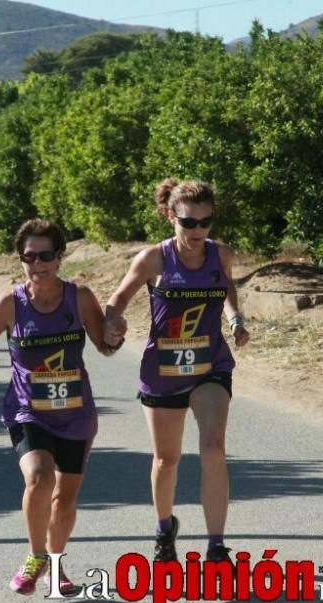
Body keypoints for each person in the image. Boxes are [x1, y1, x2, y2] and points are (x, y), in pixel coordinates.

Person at [0, 219, 118, 595]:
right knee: (40, 479)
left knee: (64, 501)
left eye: (45, 255)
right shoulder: (10, 304)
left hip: (76, 413)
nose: (37, 263)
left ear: (60, 258)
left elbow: (105, 347)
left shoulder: (79, 298)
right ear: (20, 259)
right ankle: (36, 556)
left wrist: (115, 336)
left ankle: (56, 566)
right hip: (27, 410)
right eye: (29, 256)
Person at [104, 178, 250, 564]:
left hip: (210, 365)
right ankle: (164, 528)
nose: (198, 231)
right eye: (188, 223)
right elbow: (117, 300)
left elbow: (226, 289)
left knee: (213, 450)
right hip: (163, 370)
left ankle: (217, 546)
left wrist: (235, 318)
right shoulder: (154, 259)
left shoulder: (221, 255)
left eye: (206, 222)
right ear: (171, 217)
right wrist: (112, 325)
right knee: (166, 460)